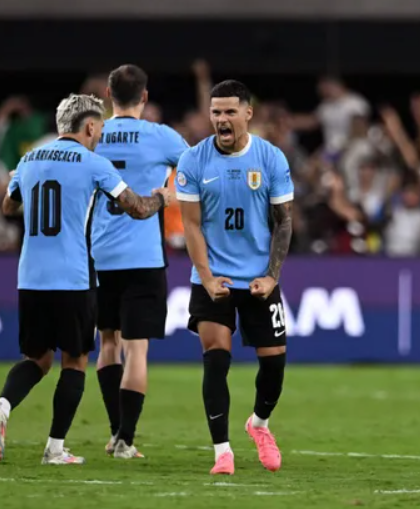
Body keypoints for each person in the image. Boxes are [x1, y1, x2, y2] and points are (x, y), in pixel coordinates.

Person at [0, 94, 171, 464]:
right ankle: (54, 448)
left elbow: (8, 206)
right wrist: (161, 198)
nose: (100, 133)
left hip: (30, 276)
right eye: (98, 127)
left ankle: (2, 404)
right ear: (89, 126)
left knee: (36, 358)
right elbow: (136, 208)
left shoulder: (29, 159)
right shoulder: (94, 163)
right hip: (73, 276)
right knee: (75, 360)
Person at [175, 80, 294, 476]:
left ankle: (258, 424)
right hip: (213, 279)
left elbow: (284, 222)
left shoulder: (271, 158)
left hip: (259, 279)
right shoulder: (193, 161)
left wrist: (272, 276)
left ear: (248, 113)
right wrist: (206, 278)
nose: (221, 120)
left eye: (229, 112)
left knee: (274, 365)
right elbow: (191, 227)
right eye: (215, 112)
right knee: (216, 358)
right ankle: (222, 451)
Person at [91, 64, 188, 459]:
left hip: (99, 253)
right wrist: (170, 192)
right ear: (145, 97)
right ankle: (126, 439)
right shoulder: (161, 136)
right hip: (144, 256)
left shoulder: (92, 135)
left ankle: (115, 432)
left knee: (108, 343)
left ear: (107, 95)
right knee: (138, 349)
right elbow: (199, 171)